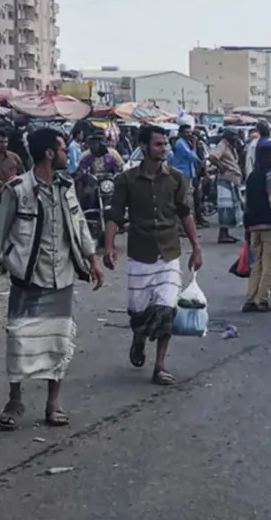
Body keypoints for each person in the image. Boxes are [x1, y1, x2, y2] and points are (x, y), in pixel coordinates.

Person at [0, 127, 103, 430]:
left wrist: (93, 259)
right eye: (62, 149)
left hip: (60, 276)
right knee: (19, 340)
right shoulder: (17, 190)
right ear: (49, 153)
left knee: (57, 341)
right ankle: (15, 399)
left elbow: (78, 225)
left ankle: (52, 403)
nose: (66, 153)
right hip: (27, 276)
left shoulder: (66, 186)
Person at [104, 125, 203, 386]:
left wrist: (196, 247)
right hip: (140, 252)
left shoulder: (177, 178)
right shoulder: (126, 180)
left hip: (168, 252)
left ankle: (160, 366)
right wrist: (110, 246)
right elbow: (114, 215)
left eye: (165, 144)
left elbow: (185, 213)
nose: (164, 149)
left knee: (167, 309)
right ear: (144, 146)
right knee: (138, 311)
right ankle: (138, 337)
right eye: (158, 144)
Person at [242, 140, 271, 313]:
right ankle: (263, 299)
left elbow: (247, 204)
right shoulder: (270, 176)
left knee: (257, 264)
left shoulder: (252, 176)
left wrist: (247, 227)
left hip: (254, 226)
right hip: (270, 226)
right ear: (266, 157)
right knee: (270, 264)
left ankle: (250, 298)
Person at [170, 117, 207, 228]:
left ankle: (187, 226)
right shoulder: (181, 144)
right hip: (182, 174)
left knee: (188, 201)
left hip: (188, 174)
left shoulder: (186, 143)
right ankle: (181, 227)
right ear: (180, 133)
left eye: (190, 132)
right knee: (184, 201)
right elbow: (192, 157)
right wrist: (195, 145)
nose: (189, 134)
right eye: (186, 133)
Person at [208, 127, 243, 244]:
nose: (236, 138)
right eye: (234, 135)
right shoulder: (222, 145)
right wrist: (221, 167)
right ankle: (222, 235)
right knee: (225, 208)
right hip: (225, 180)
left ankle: (226, 233)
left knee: (230, 208)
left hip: (232, 180)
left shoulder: (230, 146)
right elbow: (212, 157)